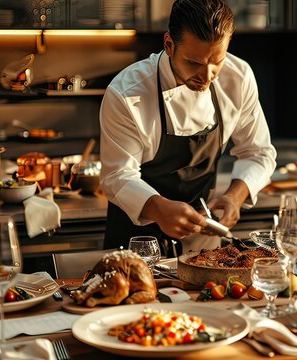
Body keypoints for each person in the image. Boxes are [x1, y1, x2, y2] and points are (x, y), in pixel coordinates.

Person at [99, 0, 277, 256]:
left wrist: (234, 198)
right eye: (194, 63)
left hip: (202, 242)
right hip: (135, 243)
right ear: (169, 45)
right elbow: (116, 177)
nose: (207, 76)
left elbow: (259, 152)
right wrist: (159, 208)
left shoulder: (238, 78)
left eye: (217, 61)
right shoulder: (127, 93)